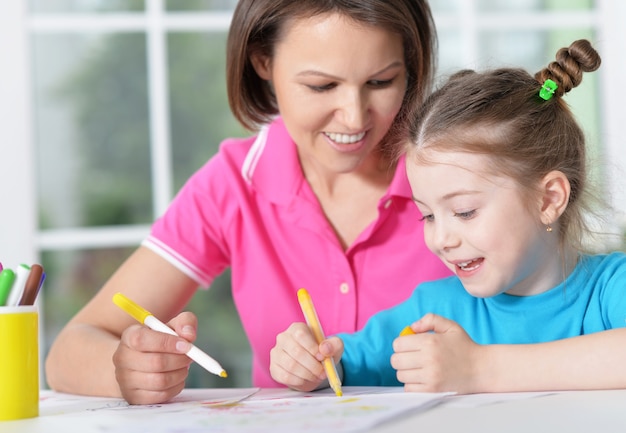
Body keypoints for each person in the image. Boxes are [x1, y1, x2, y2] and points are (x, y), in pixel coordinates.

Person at [45, 0, 451, 404]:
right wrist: (129, 369)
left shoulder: (453, 171)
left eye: (380, 82)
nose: (353, 117)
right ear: (262, 62)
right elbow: (69, 352)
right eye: (321, 86)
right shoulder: (234, 184)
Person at [270, 39, 626, 394]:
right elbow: (346, 362)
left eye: (464, 212)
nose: (441, 239)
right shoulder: (433, 311)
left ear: (548, 199)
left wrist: (480, 369)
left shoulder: (611, 288)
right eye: (427, 216)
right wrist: (310, 361)